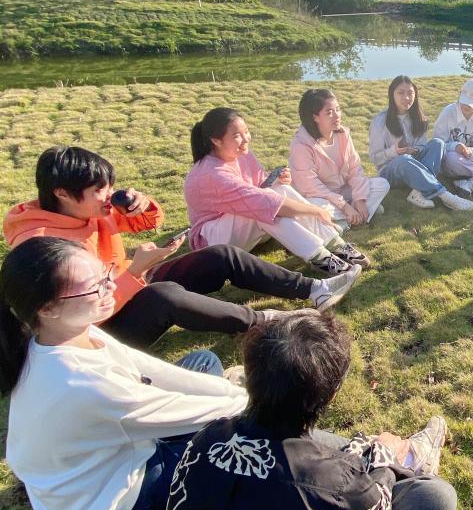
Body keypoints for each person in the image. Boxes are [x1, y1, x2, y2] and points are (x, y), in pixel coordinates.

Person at [157, 311, 457, 510]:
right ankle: (411, 459)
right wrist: (384, 453)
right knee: (435, 497)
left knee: (328, 452)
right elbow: (377, 506)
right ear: (331, 395)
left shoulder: (208, 436)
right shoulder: (339, 491)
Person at [1, 236, 249, 510]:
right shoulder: (81, 383)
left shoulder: (68, 333)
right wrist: (248, 400)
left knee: (203, 362)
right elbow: (203, 411)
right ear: (48, 308)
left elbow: (152, 370)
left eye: (105, 274)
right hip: (106, 508)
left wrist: (230, 392)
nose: (111, 287)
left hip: (99, 457)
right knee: (234, 436)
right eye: (95, 287)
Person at [3, 146, 358, 350]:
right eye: (99, 190)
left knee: (220, 256)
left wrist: (143, 206)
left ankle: (315, 289)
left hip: (128, 284)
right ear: (62, 194)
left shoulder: (91, 210)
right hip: (93, 330)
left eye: (108, 187)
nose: (108, 197)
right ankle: (262, 322)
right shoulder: (40, 246)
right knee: (164, 297)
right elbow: (80, 312)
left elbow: (150, 223)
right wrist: (135, 271)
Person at [186, 107, 366, 278]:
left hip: (243, 227)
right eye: (237, 136)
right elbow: (260, 201)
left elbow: (260, 187)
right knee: (265, 208)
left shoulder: (241, 154)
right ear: (216, 141)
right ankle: (320, 257)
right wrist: (316, 211)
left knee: (280, 191)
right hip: (212, 241)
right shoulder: (211, 174)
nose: (246, 139)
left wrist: (277, 181)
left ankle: (335, 244)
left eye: (246, 131)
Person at [289, 88, 391, 242]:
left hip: (343, 191)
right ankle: (353, 217)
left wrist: (360, 200)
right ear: (315, 117)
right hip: (320, 197)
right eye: (329, 112)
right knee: (314, 206)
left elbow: (355, 169)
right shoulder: (301, 145)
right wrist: (344, 206)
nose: (337, 116)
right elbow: (311, 186)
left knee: (381, 184)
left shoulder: (343, 134)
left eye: (338, 109)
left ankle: (347, 218)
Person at [368, 75, 473, 211]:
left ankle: (418, 192)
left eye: (410, 93)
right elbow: (375, 158)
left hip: (413, 164)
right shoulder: (379, 121)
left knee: (438, 143)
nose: (406, 97)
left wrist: (416, 150)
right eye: (401, 93)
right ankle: (446, 196)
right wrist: (394, 151)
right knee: (403, 159)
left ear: (415, 95)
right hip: (390, 172)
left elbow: (423, 146)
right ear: (392, 94)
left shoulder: (418, 118)